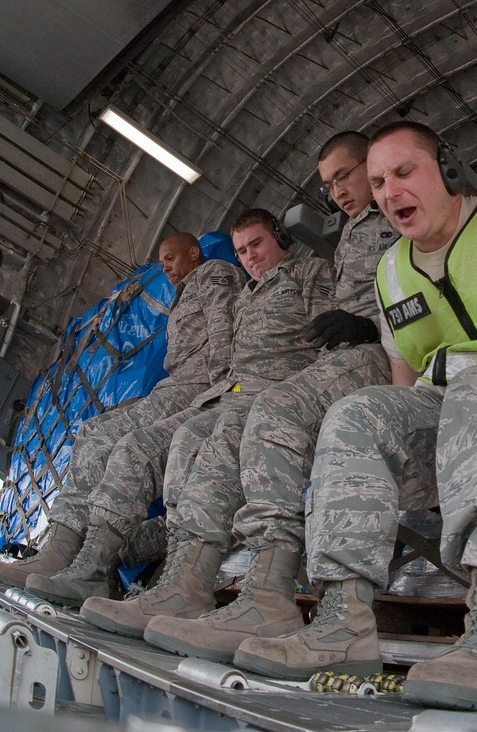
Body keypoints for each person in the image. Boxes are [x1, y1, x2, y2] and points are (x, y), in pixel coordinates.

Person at [230, 121, 477, 711]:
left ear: (446, 169)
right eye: (379, 181)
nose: (388, 191)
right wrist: (414, 455)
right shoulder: (390, 272)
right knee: (357, 413)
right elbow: (404, 383)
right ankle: (344, 620)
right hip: (449, 408)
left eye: (403, 173)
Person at [90, 132, 397, 660]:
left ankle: (260, 590)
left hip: (366, 358)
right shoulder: (345, 237)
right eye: (330, 184)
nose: (340, 191)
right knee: (187, 438)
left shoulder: (350, 243)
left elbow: (329, 325)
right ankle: (175, 575)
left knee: (259, 417)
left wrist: (366, 331)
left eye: (345, 175)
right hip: (284, 375)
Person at [25, 210, 335, 608]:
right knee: (138, 446)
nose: (249, 257)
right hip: (227, 394)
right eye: (241, 250)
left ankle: (181, 583)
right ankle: (93, 564)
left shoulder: (305, 273)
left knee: (208, 448)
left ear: (279, 237)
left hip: (269, 395)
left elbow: (322, 342)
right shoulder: (246, 296)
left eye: (256, 244)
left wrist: (228, 386)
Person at [0, 234, 242, 590]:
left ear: (194, 253)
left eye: (171, 258)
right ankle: (61, 548)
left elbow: (224, 331)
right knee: (90, 432)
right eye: (162, 262)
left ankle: (83, 562)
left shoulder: (213, 273)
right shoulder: (182, 294)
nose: (166, 267)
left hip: (197, 387)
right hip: (176, 386)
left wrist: (222, 391)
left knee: (124, 444)